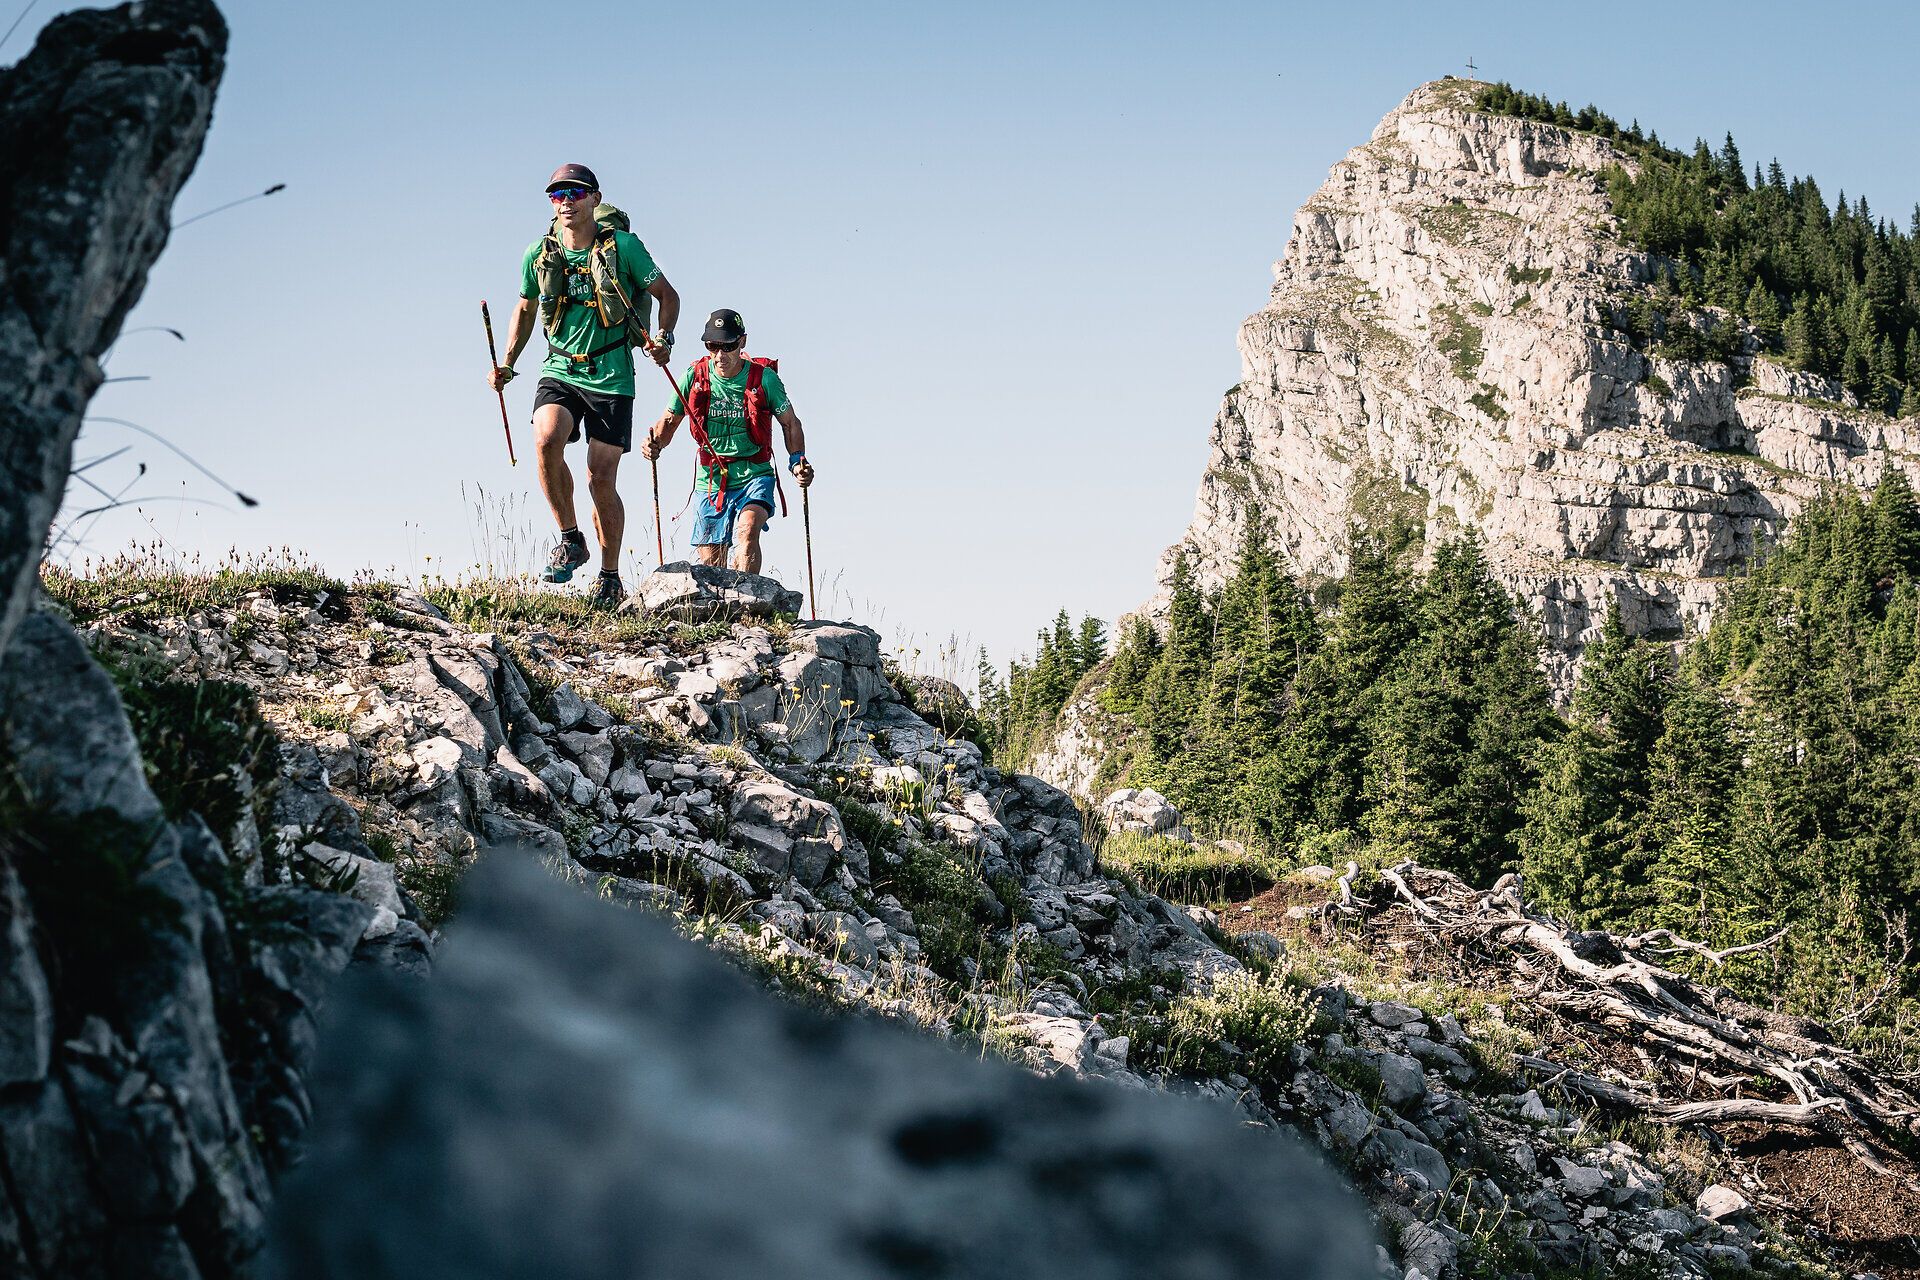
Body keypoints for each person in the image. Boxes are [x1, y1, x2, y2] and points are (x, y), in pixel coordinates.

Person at [486, 163, 679, 607]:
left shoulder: (626, 248)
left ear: (594, 198)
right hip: (560, 368)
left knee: (600, 477)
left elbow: (668, 295)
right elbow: (526, 308)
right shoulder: (538, 253)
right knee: (546, 439)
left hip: (612, 373)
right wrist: (508, 363)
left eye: (575, 193)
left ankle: (610, 577)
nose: (566, 201)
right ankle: (571, 538)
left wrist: (664, 339)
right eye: (557, 195)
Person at [641, 309, 814, 574]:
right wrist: (654, 444)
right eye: (713, 346)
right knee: (712, 564)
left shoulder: (764, 378)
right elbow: (669, 421)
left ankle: (750, 606)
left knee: (747, 532)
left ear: (742, 342)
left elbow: (791, 423)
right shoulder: (694, 377)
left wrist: (797, 461)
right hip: (710, 479)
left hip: (754, 474)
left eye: (728, 346)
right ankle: (723, 612)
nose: (720, 356)